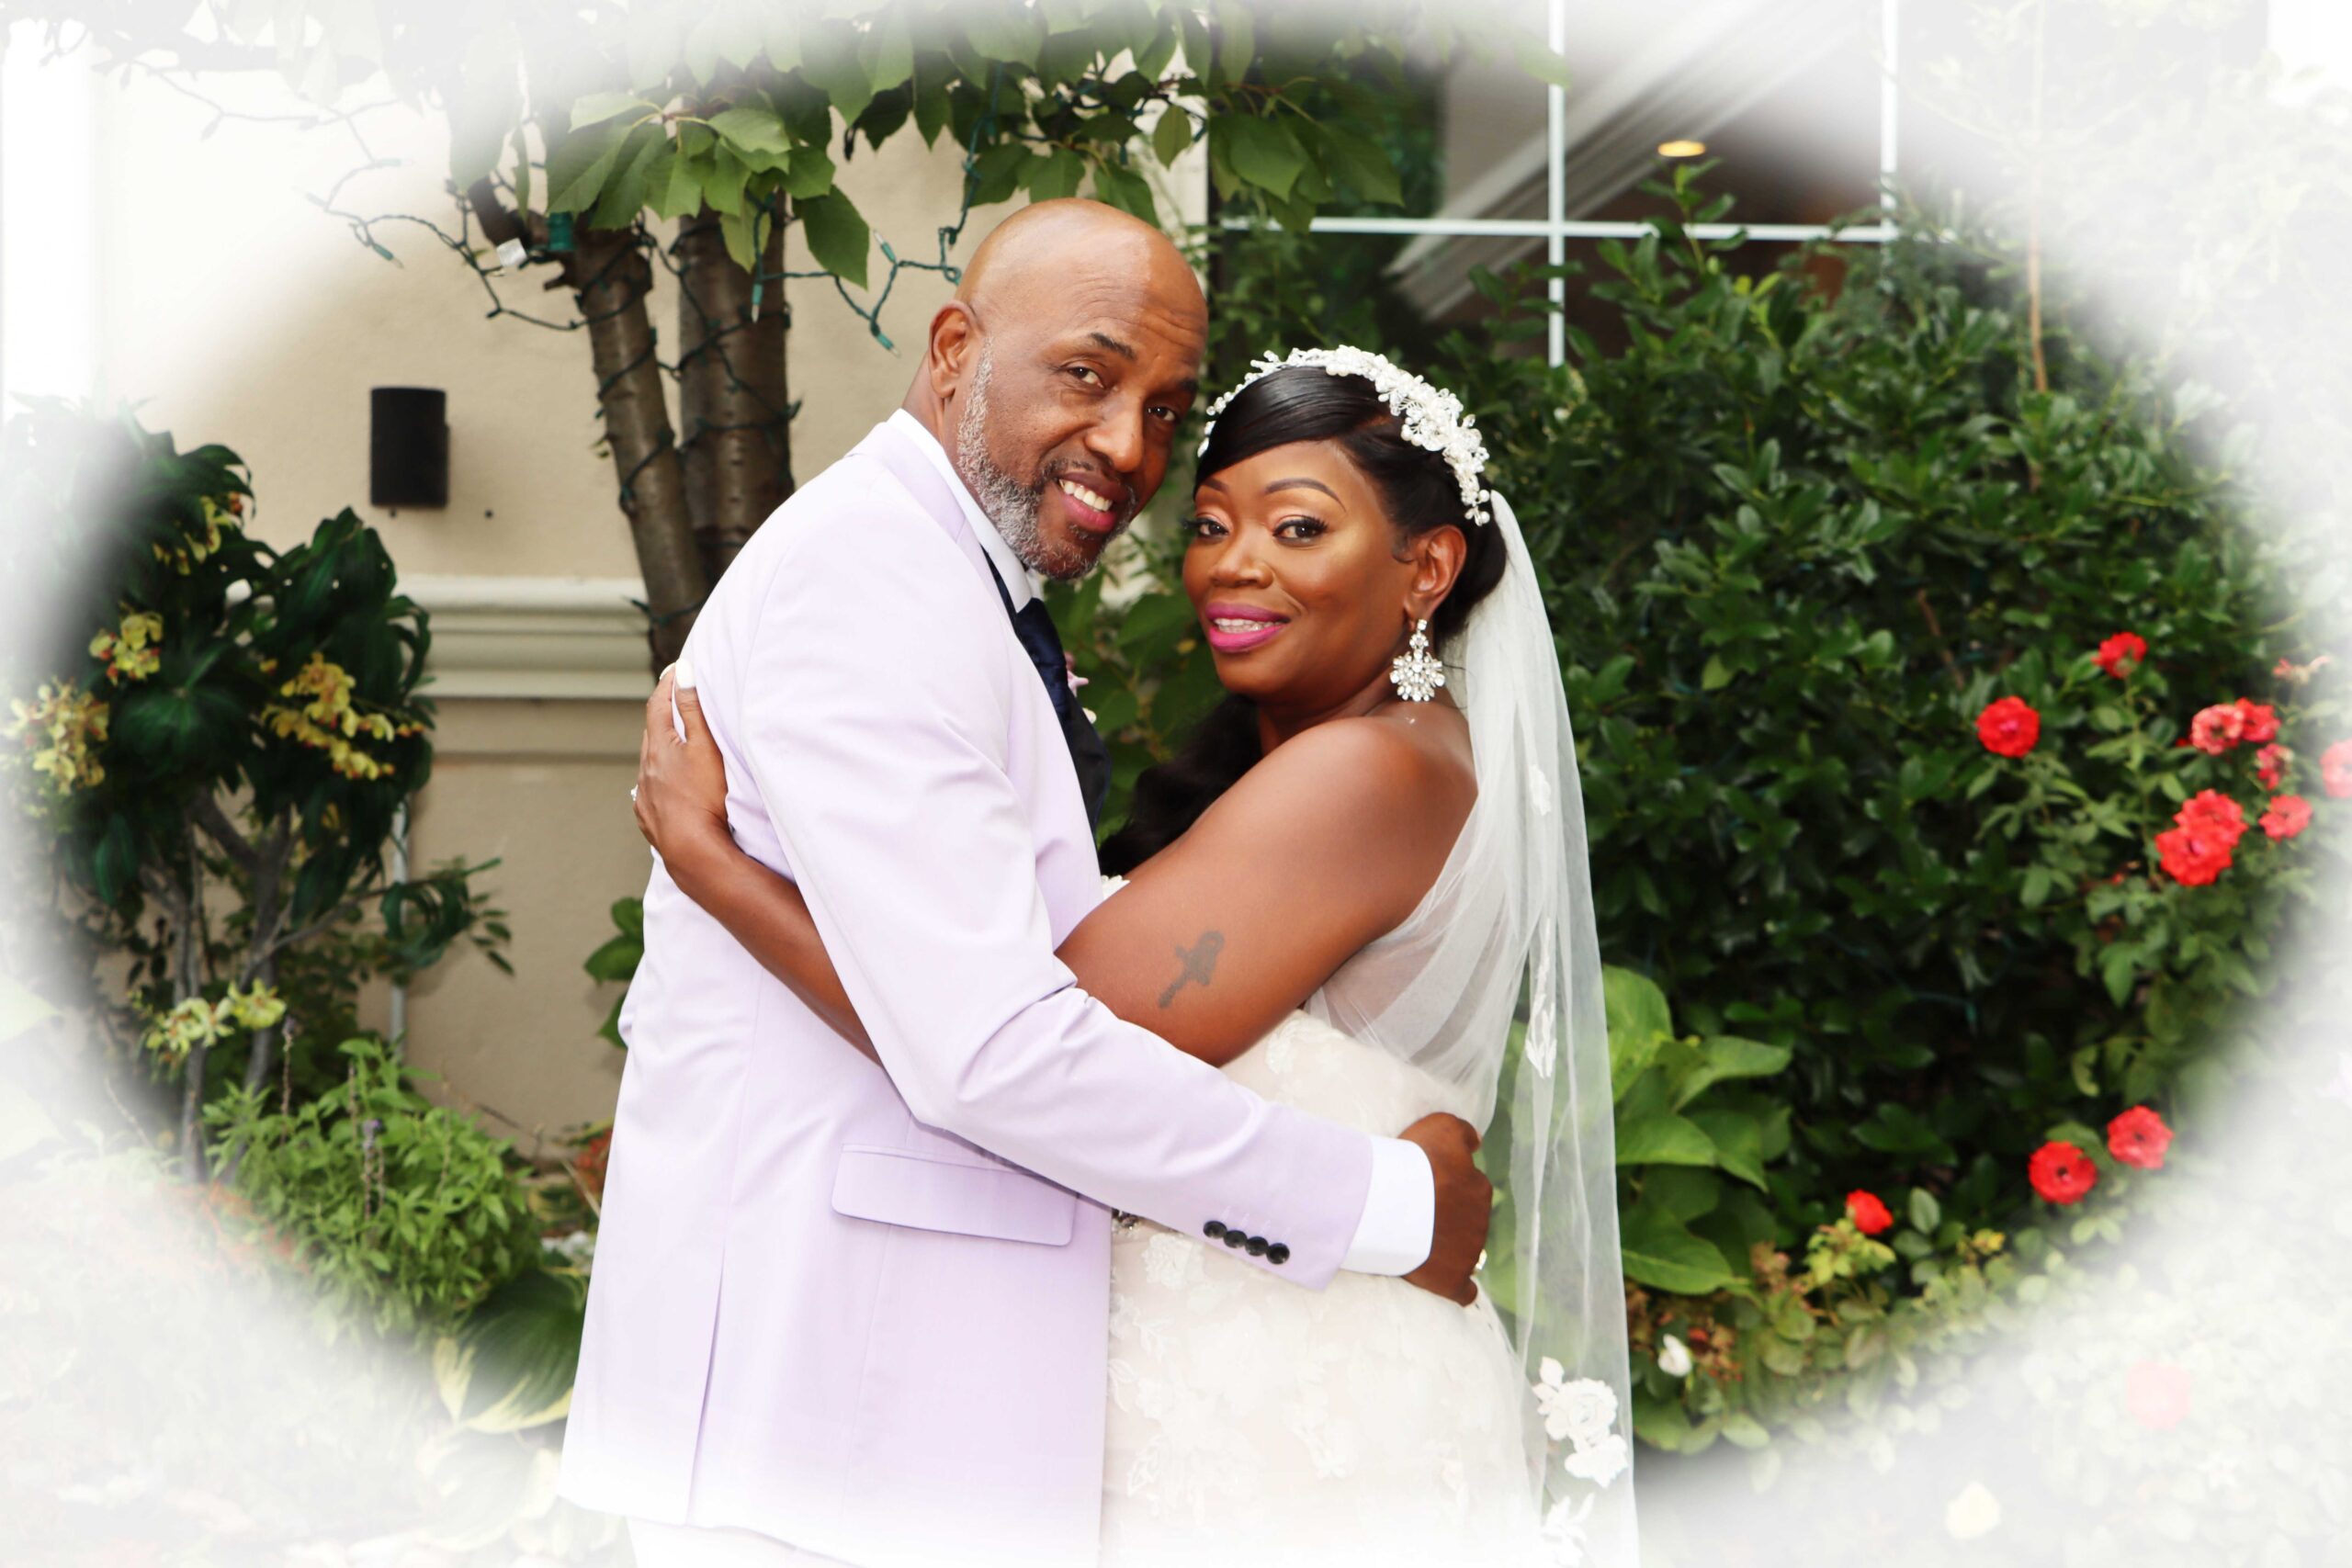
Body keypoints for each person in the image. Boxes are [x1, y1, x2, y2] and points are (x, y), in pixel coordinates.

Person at [554, 201, 1499, 1568]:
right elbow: (995, 1046)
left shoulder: (944, 574)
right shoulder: (872, 580)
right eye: (1086, 375)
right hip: (825, 1410)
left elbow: (1004, 1001)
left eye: (1162, 409)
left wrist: (718, 869)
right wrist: (1384, 1208)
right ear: (955, 352)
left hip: (884, 1421)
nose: (1128, 445)